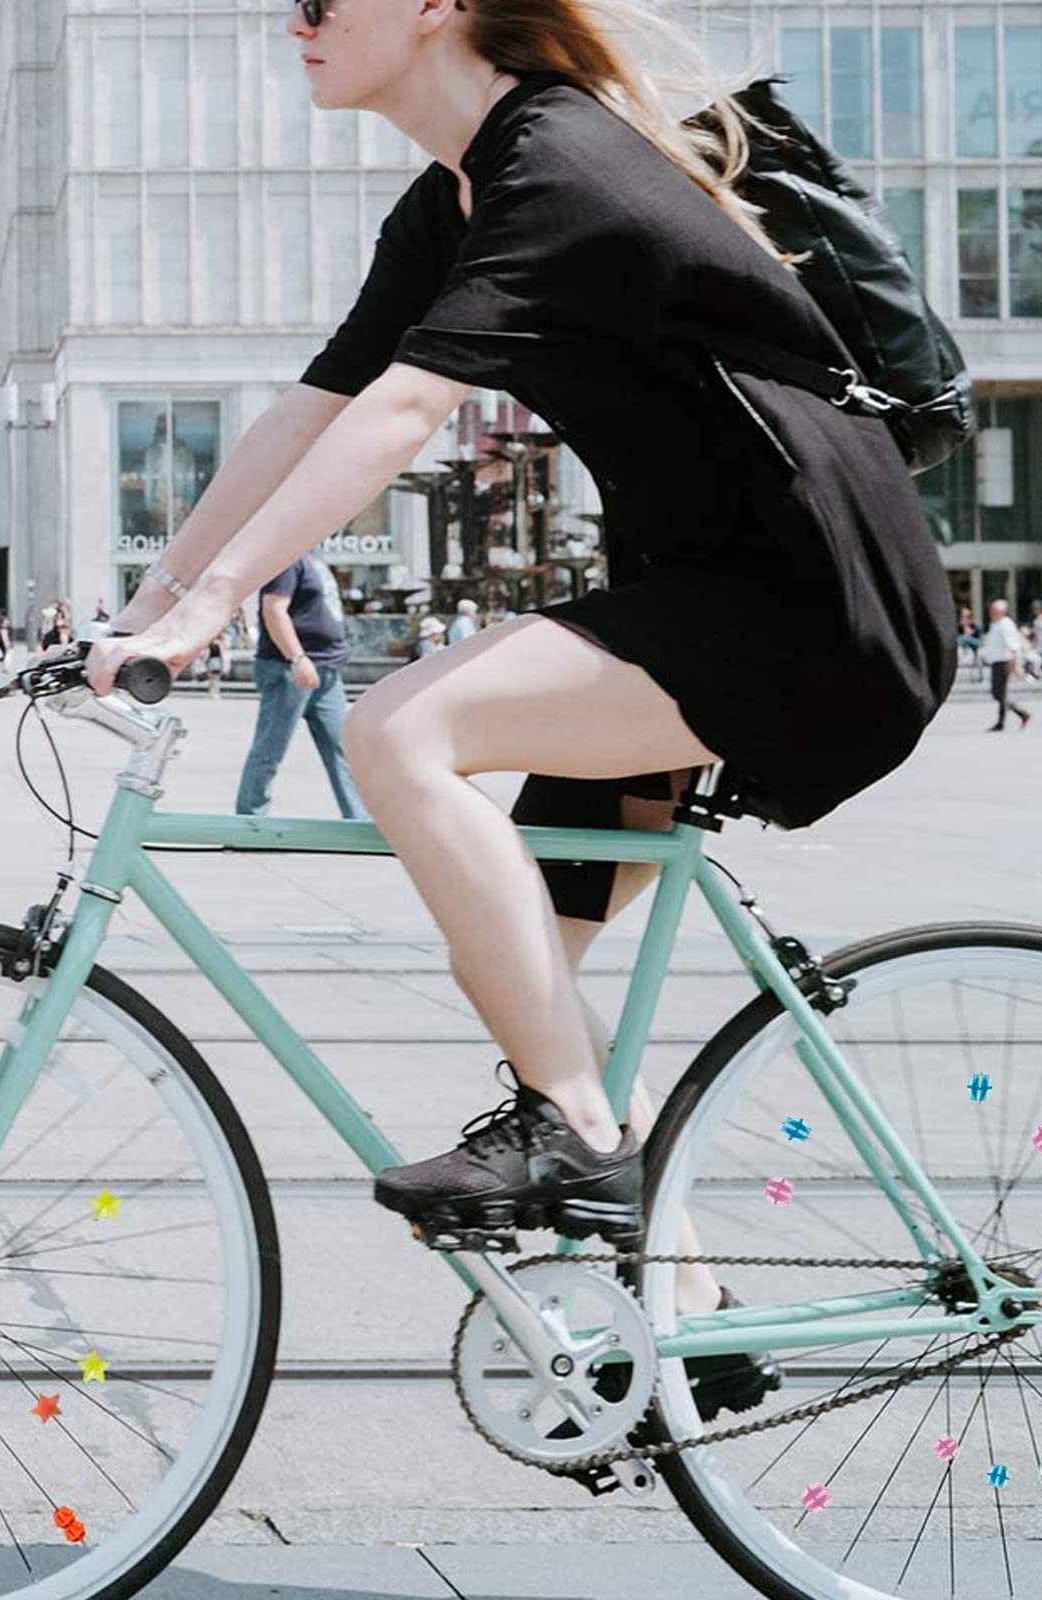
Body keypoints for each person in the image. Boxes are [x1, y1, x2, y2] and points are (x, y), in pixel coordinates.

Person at [81, 4, 958, 1376]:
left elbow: (401, 417)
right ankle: (694, 1321)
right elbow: (317, 406)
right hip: (698, 600)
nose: (292, 20)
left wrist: (206, 613)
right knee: (521, 959)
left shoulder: (560, 167)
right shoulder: (458, 194)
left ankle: (587, 1145)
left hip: (810, 613)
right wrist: (148, 600)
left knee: (400, 728)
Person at [234, 556, 368, 819]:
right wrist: (297, 657)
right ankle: (250, 820)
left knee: (344, 749)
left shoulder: (314, 559)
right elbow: (273, 609)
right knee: (270, 749)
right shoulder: (288, 558)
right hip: (290, 669)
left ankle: (359, 819)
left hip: (325, 670)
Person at [981, 598, 1032, 732]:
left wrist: (1017, 665)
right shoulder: (995, 624)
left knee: (1000, 693)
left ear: (1002, 612)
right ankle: (1018, 715)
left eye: (994, 611)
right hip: (996, 662)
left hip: (1004, 662)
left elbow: (1014, 646)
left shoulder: (1005, 625)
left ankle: (1011, 717)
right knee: (999, 693)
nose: (991, 613)